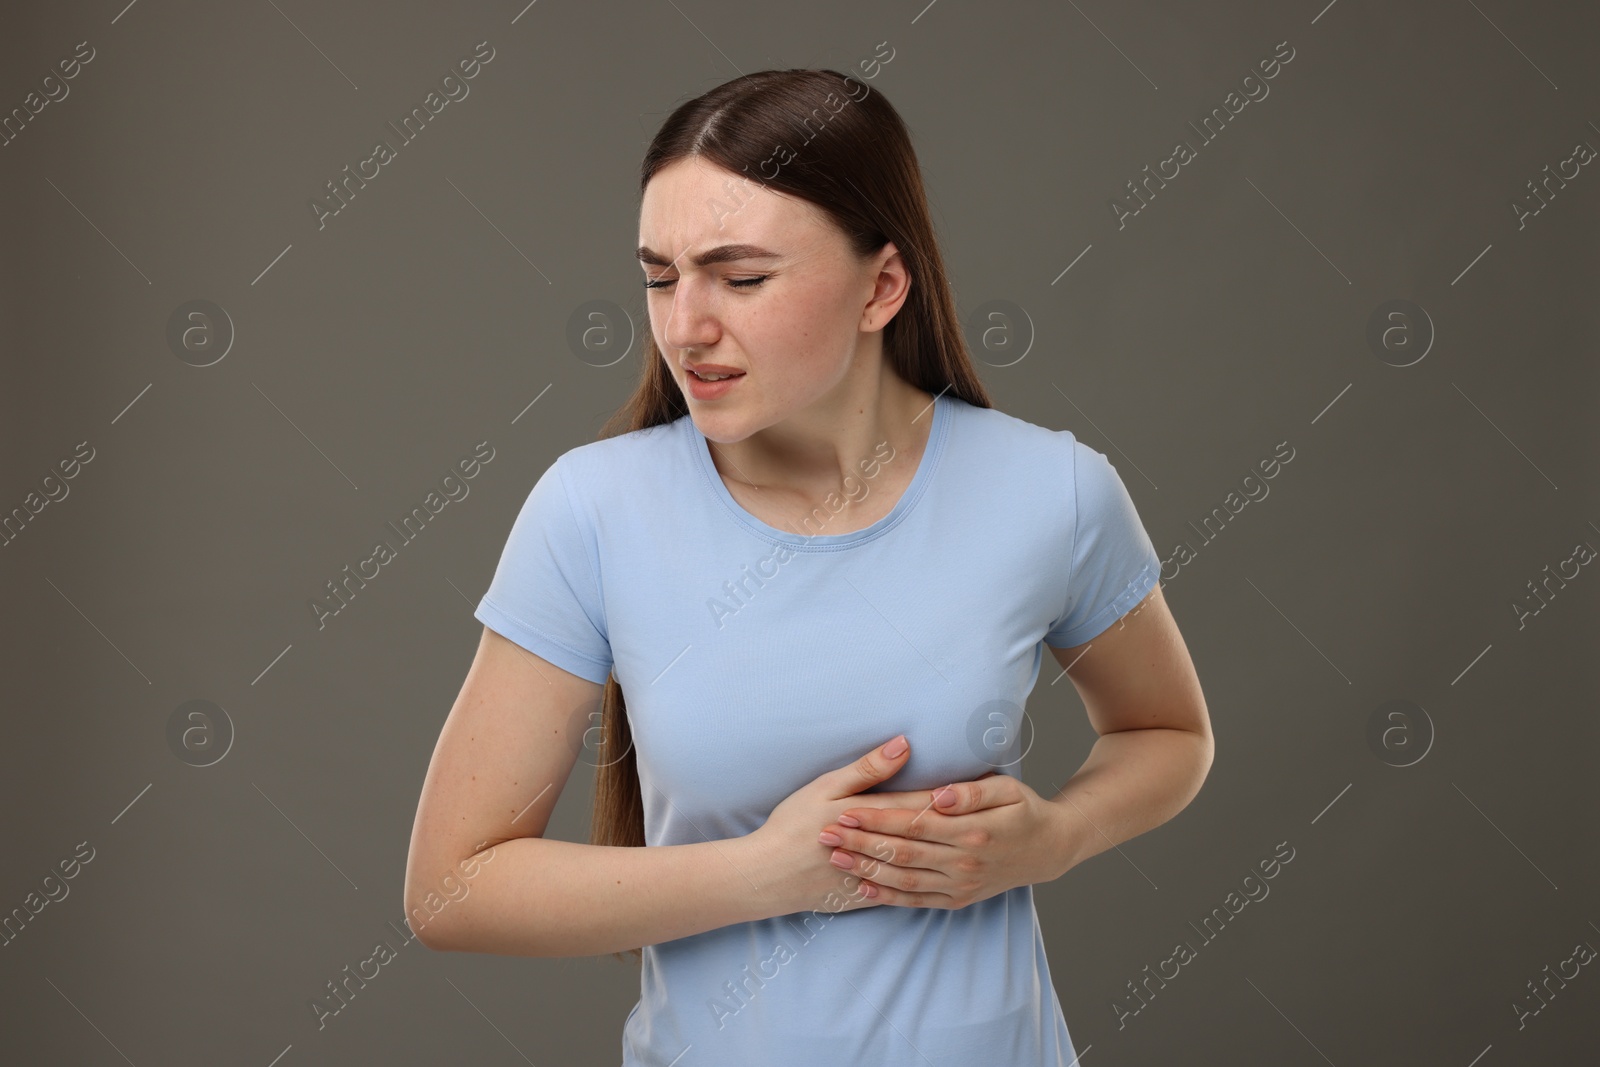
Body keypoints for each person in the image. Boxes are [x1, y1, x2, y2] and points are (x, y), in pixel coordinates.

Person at [404, 68, 1213, 1066]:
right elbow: (450, 885)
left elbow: (1167, 732)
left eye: (740, 278)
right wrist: (766, 871)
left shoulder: (1052, 491)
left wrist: (1055, 834)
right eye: (660, 275)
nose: (684, 324)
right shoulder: (594, 509)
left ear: (881, 285)